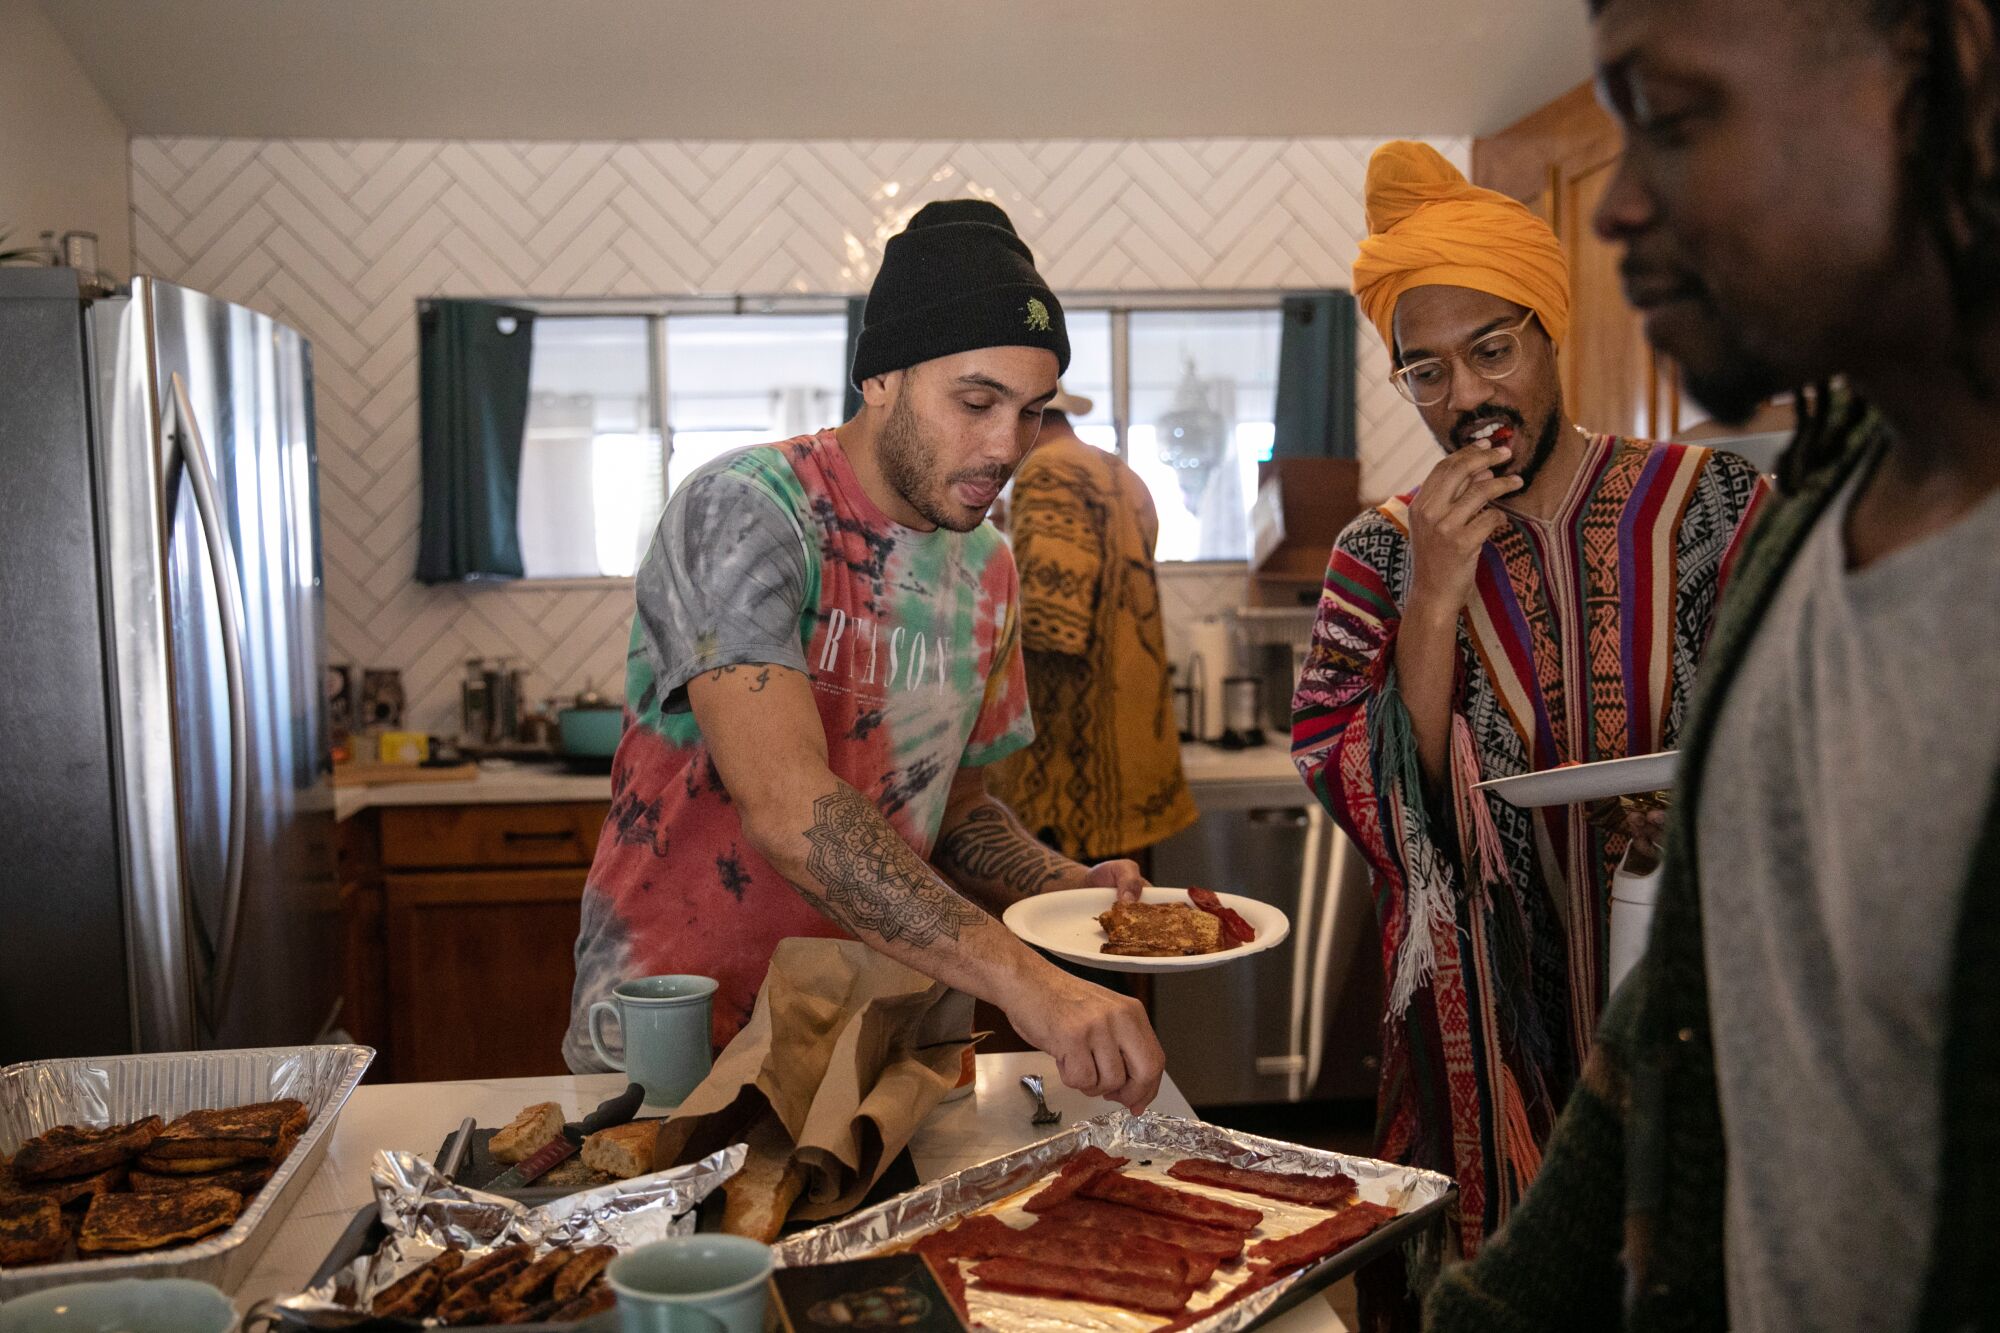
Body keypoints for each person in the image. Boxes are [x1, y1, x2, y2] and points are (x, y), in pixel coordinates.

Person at [1425, 0, 2000, 1327]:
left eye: (1674, 119)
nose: (1617, 208)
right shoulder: (1821, 513)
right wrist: (1497, 1308)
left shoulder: (1724, 510)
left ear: (1949, 66)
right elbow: (1693, 999)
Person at [563, 199, 1165, 1113]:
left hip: (872, 1045)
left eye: (1031, 412)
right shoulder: (749, 509)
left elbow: (952, 810)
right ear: (881, 375)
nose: (1006, 446)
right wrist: (1029, 980)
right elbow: (789, 807)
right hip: (680, 1040)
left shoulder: (989, 566)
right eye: (976, 401)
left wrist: (1064, 882)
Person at [1289, 142, 1767, 1272]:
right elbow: (1352, 780)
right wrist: (1434, 599)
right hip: (1486, 1042)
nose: (1466, 397)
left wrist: (1700, 811)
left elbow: (1797, 727)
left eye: (1491, 350)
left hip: (1695, 1006)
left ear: (1551, 336)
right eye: (1426, 371)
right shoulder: (1374, 552)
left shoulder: (1709, 504)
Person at [988, 387, 1197, 867]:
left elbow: (1051, 625)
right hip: (1139, 752)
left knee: (1072, 931)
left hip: (1073, 776)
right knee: (1132, 922)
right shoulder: (1123, 473)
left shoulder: (1047, 472)